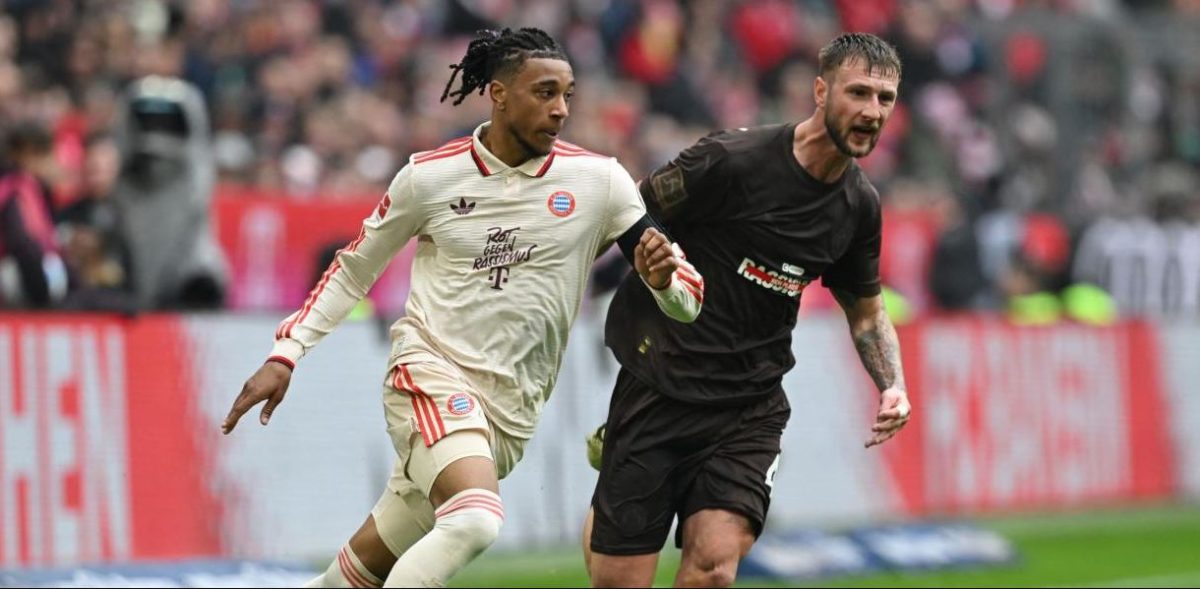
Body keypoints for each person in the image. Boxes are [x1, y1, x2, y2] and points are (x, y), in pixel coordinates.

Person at [220, 27, 704, 588]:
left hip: (509, 413)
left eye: (567, 95)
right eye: (544, 93)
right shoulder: (430, 176)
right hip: (429, 374)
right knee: (475, 520)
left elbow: (688, 299)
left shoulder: (601, 182)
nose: (561, 109)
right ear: (499, 94)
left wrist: (663, 282)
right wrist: (286, 353)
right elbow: (353, 268)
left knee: (354, 577)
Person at [584, 32, 913, 588]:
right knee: (619, 581)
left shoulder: (859, 206)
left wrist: (893, 385)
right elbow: (629, 210)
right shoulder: (730, 161)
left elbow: (867, 313)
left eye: (885, 99)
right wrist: (639, 270)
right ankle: (609, 494)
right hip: (662, 384)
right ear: (820, 91)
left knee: (714, 569)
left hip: (748, 406)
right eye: (858, 92)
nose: (872, 111)